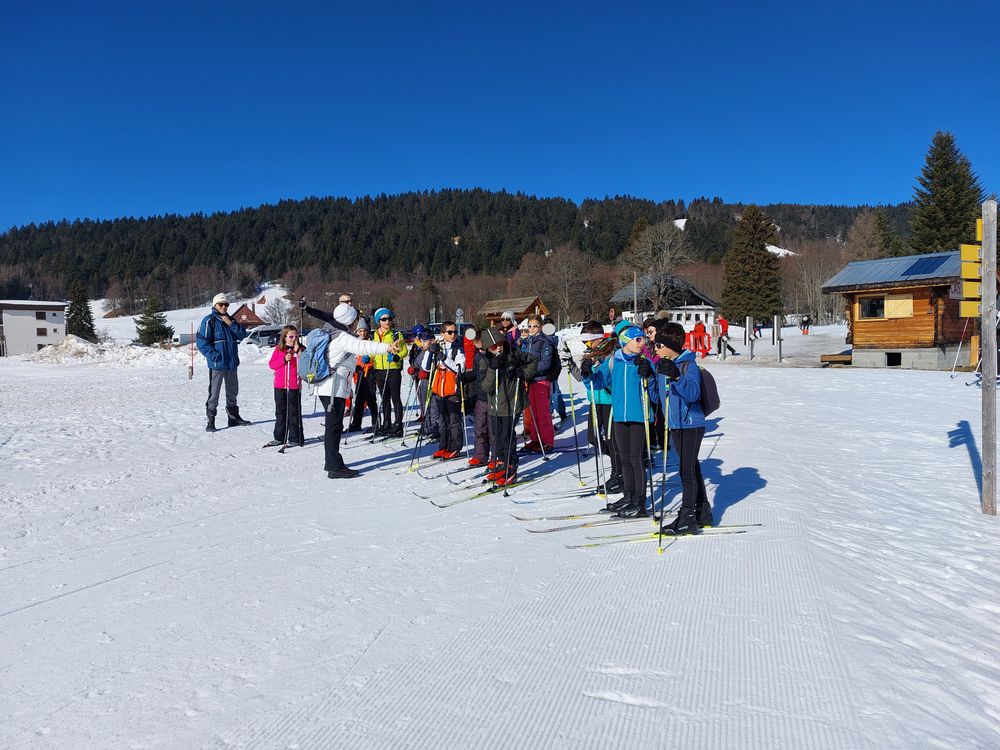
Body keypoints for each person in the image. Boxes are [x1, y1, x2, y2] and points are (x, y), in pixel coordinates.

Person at [314, 303, 401, 478]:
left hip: (327, 387)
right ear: (350, 320)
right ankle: (334, 467)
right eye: (355, 320)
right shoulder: (342, 337)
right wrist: (387, 347)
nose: (356, 323)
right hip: (333, 389)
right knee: (333, 427)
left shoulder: (330, 329)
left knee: (334, 425)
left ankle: (331, 462)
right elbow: (363, 347)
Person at [584, 325, 655, 518]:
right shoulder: (614, 360)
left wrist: (650, 373)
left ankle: (639, 502)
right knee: (623, 457)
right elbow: (599, 382)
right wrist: (587, 374)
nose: (643, 343)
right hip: (620, 416)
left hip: (639, 416)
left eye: (643, 339)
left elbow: (655, 389)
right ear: (625, 341)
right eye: (638, 340)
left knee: (635, 459)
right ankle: (628, 496)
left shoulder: (644, 361)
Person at [651, 322, 712, 533]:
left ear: (670, 345)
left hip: (691, 424)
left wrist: (676, 377)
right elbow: (657, 398)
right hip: (674, 424)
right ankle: (702, 510)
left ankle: (687, 516)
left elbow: (693, 394)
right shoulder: (662, 365)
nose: (655, 348)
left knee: (686, 471)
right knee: (692, 467)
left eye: (659, 344)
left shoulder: (687, 365)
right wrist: (649, 378)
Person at [568, 320, 622, 495]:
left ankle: (618, 472)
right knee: (593, 438)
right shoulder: (590, 352)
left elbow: (605, 377)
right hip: (595, 400)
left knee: (610, 440)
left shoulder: (608, 352)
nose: (585, 344)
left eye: (588, 341)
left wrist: (591, 370)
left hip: (608, 400)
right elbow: (584, 380)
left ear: (598, 338)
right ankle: (620, 462)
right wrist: (574, 366)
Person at [480, 327, 538, 486]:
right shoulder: (485, 361)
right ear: (487, 348)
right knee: (497, 438)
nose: (498, 348)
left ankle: (511, 467)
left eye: (500, 344)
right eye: (493, 346)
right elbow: (486, 387)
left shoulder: (513, 353)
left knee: (507, 437)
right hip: (495, 405)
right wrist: (493, 368)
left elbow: (533, 360)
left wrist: (523, 373)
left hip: (512, 403)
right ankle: (502, 463)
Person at [197, 293, 250, 432]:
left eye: (226, 304)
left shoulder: (230, 320)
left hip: (231, 363)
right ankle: (211, 420)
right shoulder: (209, 321)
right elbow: (202, 343)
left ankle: (233, 418)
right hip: (217, 365)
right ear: (215, 305)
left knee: (233, 391)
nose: (224, 307)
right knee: (214, 393)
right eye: (221, 304)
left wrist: (231, 324)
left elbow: (242, 334)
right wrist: (215, 356)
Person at [429, 321, 466, 460]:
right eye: (450, 332)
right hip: (439, 388)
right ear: (443, 334)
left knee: (454, 420)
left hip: (452, 388)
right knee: (442, 420)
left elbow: (459, 369)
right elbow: (427, 367)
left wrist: (445, 359)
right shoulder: (439, 346)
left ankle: (455, 447)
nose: (453, 335)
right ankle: (443, 446)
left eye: (455, 332)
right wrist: (431, 351)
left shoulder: (458, 349)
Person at [519, 315, 556, 453]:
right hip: (530, 381)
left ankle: (547, 441)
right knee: (532, 412)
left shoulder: (545, 341)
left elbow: (546, 363)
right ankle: (535, 439)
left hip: (541, 380)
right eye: (530, 326)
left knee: (542, 412)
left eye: (535, 326)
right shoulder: (528, 341)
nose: (532, 329)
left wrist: (530, 369)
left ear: (541, 327)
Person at [371, 307, 408, 437]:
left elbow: (404, 351)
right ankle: (386, 423)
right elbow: (372, 351)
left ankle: (398, 425)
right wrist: (368, 358)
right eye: (384, 319)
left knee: (395, 397)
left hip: (392, 369)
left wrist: (397, 357)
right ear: (378, 321)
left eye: (389, 318)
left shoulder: (396, 334)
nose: (387, 321)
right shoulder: (373, 335)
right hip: (379, 370)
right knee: (384, 398)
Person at [461, 329, 493, 467]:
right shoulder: (478, 356)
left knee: (493, 429)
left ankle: (497, 456)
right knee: (480, 426)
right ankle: (480, 454)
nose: (479, 349)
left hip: (493, 397)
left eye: (481, 346)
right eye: (477, 347)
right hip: (481, 396)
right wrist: (464, 377)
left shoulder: (495, 355)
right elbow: (475, 373)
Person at [347, 317, 379, 433]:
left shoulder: (370, 342)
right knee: (359, 398)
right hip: (359, 371)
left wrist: (369, 360)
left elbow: (375, 355)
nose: (362, 333)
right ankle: (356, 423)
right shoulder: (355, 343)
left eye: (364, 331)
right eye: (360, 331)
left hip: (369, 371)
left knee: (370, 398)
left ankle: (376, 422)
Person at [408, 328, 439, 437]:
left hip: (433, 383)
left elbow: (436, 366)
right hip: (423, 383)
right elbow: (417, 363)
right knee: (424, 406)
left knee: (433, 406)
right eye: (421, 341)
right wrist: (413, 368)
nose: (423, 344)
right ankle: (427, 427)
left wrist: (428, 372)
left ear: (432, 340)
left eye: (425, 341)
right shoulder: (423, 352)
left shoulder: (436, 352)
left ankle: (435, 429)